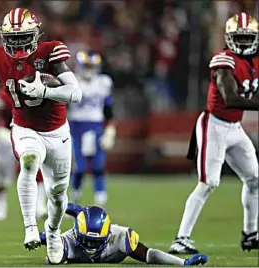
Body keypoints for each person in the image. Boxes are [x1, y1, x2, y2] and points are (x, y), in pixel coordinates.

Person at [0, 8, 81, 264]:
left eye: (24, 37)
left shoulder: (51, 51)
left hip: (57, 132)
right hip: (24, 127)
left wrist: (44, 91)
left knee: (58, 193)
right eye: (14, 38)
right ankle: (30, 226)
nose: (19, 43)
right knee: (29, 161)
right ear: (3, 37)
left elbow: (75, 92)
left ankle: (53, 234)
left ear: (35, 34)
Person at [169, 12, 259, 254]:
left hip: (235, 128)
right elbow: (229, 98)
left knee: (255, 179)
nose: (243, 42)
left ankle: (250, 234)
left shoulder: (256, 62)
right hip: (215, 125)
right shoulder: (223, 60)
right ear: (229, 38)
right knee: (208, 183)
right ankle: (181, 238)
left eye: (247, 37)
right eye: (238, 37)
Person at [39, 203, 208, 266]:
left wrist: (183, 263)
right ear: (76, 234)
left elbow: (149, 255)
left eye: (95, 242)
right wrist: (39, 237)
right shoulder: (67, 240)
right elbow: (50, 243)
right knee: (53, 259)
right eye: (87, 241)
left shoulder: (120, 237)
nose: (90, 246)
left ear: (108, 235)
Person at [0, 91, 47, 221]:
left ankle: (40, 204)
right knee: (0, 168)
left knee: (36, 165)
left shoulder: (38, 89)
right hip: (8, 134)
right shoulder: (5, 94)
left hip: (30, 133)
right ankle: (0, 203)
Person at [68, 51, 116, 207]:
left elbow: (109, 109)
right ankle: (75, 197)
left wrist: (110, 129)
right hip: (75, 125)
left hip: (96, 125)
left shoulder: (103, 82)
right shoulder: (71, 80)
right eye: (87, 66)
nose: (89, 69)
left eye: (92, 66)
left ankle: (101, 200)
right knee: (78, 166)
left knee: (98, 165)